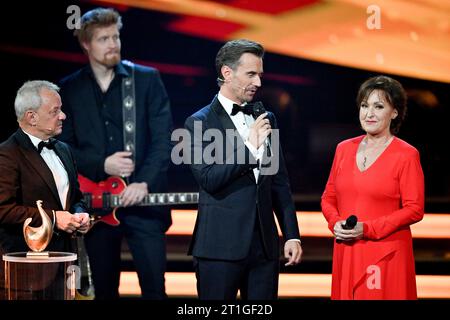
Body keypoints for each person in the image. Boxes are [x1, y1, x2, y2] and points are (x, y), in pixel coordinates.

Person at [58, 8, 173, 299]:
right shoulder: (69, 89)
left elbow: (163, 140)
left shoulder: (146, 79)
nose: (113, 44)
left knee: (155, 291)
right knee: (105, 291)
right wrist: (101, 164)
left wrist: (143, 181)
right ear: (86, 44)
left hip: (144, 206)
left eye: (116, 36)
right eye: (103, 38)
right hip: (97, 207)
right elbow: (63, 148)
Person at [184, 39, 302, 300]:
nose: (258, 83)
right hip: (219, 248)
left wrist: (292, 235)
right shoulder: (198, 122)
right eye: (251, 74)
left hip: (264, 249)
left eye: (259, 74)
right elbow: (209, 178)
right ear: (227, 73)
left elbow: (279, 183)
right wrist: (249, 146)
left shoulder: (266, 118)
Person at [321, 75, 424, 299]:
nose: (369, 113)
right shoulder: (343, 149)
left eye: (378, 106)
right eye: (364, 105)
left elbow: (415, 209)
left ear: (394, 112)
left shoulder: (406, 155)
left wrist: (367, 229)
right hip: (347, 251)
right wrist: (334, 223)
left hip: (386, 253)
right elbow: (328, 198)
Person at [0, 80, 90, 298]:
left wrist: (79, 215)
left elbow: (76, 197)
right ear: (32, 117)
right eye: (55, 111)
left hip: (67, 264)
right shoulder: (7, 154)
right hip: (27, 270)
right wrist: (53, 218)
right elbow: (3, 210)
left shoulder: (63, 150)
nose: (63, 116)